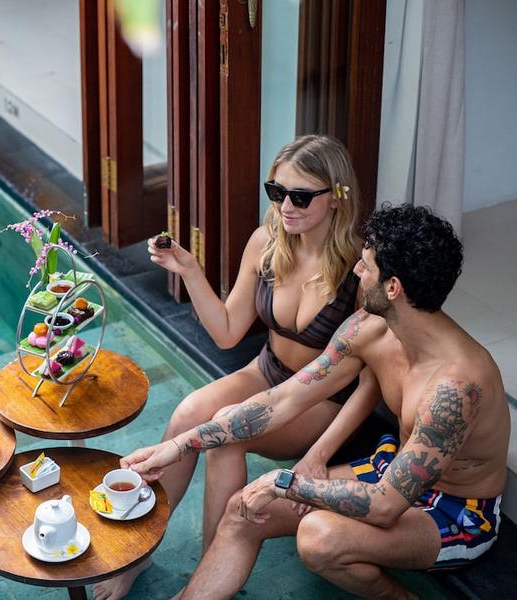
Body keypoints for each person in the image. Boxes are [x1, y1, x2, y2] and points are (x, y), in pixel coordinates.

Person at [122, 204, 510, 600]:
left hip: (455, 510)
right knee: (243, 510)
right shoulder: (369, 329)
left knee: (318, 537)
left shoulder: (454, 389)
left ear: (393, 287)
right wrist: (180, 445)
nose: (356, 271)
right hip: (392, 471)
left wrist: (284, 483)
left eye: (366, 266)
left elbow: (384, 506)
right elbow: (282, 400)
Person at [95, 134, 380, 600]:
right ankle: (141, 551)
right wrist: (190, 271)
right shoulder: (268, 242)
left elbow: (370, 382)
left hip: (324, 400)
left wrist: (319, 453)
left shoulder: (360, 269)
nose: (285, 207)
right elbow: (228, 332)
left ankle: (209, 576)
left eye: (300, 196)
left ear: (336, 196)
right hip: (267, 371)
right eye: (277, 191)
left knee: (226, 438)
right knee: (188, 413)